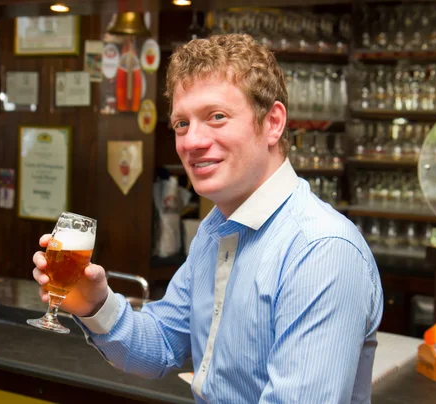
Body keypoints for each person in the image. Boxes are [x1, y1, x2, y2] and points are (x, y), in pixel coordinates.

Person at [32, 34, 383, 403]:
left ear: (273, 123)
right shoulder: (217, 228)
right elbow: (162, 344)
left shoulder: (321, 251)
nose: (191, 141)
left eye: (216, 117)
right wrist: (95, 304)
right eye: (182, 123)